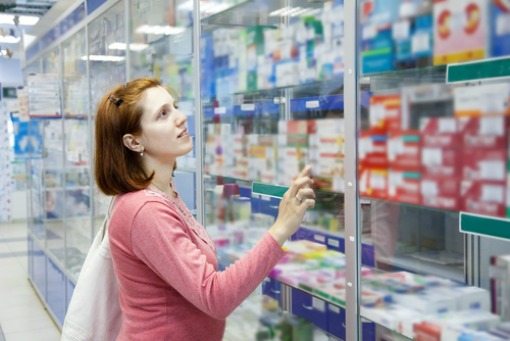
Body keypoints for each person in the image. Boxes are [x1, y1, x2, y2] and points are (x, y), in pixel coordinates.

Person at [94, 77, 316, 340]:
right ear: (134, 142)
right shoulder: (144, 209)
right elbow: (215, 296)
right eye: (163, 114)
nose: (181, 117)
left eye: (174, 106)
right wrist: (281, 228)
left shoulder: (164, 192)